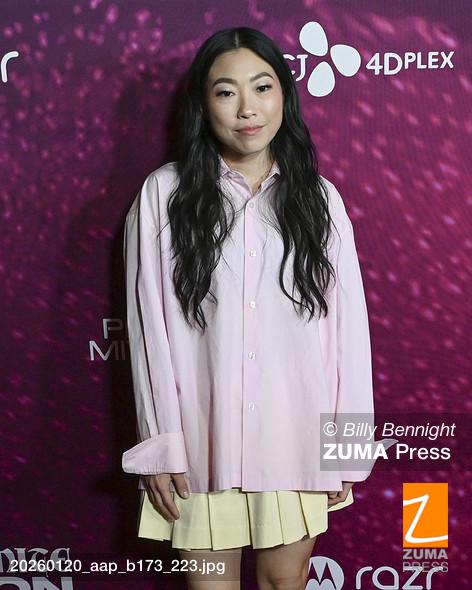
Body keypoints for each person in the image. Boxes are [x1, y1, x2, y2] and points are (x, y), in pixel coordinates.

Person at [122, 26, 375, 590]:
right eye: (226, 91)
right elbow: (148, 331)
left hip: (295, 438)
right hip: (200, 445)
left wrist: (347, 451)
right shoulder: (164, 195)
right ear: (203, 103)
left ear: (285, 94)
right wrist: (160, 447)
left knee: (287, 582)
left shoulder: (319, 200)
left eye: (262, 87)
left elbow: (348, 335)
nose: (247, 109)